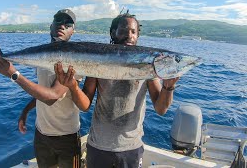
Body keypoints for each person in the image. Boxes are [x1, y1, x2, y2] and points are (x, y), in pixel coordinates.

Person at [54, 11, 180, 168]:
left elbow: (161, 109)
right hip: (98, 146)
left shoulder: (148, 66)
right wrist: (73, 86)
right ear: (113, 32)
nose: (129, 35)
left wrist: (169, 86)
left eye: (133, 32)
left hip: (131, 148)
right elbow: (85, 105)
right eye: (124, 30)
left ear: (138, 35)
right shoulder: (99, 59)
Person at [0, 9, 82, 168]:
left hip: (67, 137)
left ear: (73, 32)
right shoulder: (41, 56)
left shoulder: (77, 59)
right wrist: (25, 111)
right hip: (41, 134)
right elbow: (41, 91)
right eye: (58, 21)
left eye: (68, 24)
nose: (62, 25)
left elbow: (52, 96)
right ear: (51, 26)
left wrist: (14, 74)